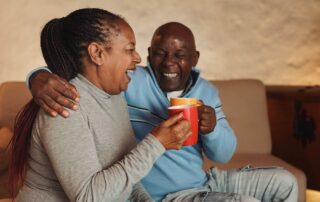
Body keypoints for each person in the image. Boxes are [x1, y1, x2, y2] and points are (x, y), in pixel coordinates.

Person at [28, 22, 298, 202]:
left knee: (285, 182)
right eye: (159, 53)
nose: (169, 62)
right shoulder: (128, 82)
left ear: (195, 58)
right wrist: (36, 76)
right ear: (148, 55)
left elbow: (223, 154)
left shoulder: (206, 93)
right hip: (168, 195)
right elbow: (83, 71)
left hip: (205, 181)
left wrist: (212, 128)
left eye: (180, 55)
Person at [9, 9, 192, 202]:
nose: (137, 58)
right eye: (129, 49)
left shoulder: (115, 97)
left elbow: (126, 178)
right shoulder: (65, 105)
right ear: (97, 53)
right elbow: (88, 197)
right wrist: (156, 144)